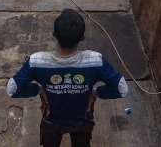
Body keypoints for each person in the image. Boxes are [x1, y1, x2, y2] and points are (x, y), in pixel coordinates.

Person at [7, 9, 128, 147]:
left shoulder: (37, 61)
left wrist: (39, 89)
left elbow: (12, 89)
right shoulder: (96, 61)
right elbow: (121, 89)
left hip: (51, 120)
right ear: (83, 37)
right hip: (82, 120)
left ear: (54, 34)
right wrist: (95, 93)